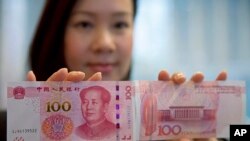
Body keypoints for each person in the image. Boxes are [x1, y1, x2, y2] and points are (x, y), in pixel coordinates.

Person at [22, 0, 227, 141]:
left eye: (120, 24)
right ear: (55, 34)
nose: (105, 44)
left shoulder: (176, 129)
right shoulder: (9, 128)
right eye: (84, 24)